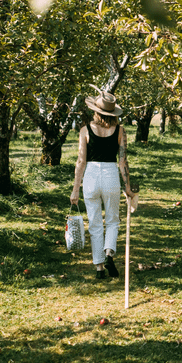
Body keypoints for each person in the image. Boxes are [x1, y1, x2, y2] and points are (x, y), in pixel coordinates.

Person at [70, 89, 136, 279]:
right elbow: (123, 161)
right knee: (113, 220)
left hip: (90, 175)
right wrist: (128, 187)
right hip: (110, 175)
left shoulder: (85, 130)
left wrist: (75, 190)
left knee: (95, 222)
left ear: (95, 111)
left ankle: (99, 268)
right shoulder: (120, 131)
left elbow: (80, 162)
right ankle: (109, 253)